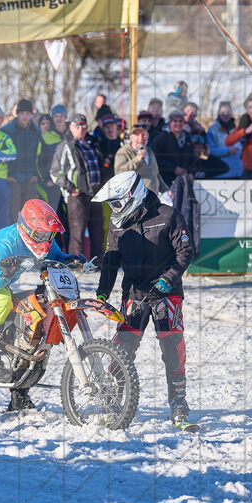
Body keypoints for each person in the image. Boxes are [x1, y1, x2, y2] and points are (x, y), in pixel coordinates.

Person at [93, 171, 195, 427]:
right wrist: (102, 292)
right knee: (123, 346)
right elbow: (110, 260)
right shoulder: (117, 224)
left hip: (166, 292)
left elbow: (185, 251)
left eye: (117, 203)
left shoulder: (168, 215)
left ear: (133, 196)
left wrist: (168, 278)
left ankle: (179, 401)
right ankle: (112, 398)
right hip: (134, 293)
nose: (114, 209)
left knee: (171, 345)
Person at [0, 198, 78, 410]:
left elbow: (57, 257)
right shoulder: (6, 244)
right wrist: (6, 273)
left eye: (49, 235)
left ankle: (19, 393)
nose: (45, 240)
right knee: (3, 298)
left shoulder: (45, 242)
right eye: (40, 235)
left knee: (32, 312)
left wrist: (74, 260)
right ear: (26, 228)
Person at [50, 112, 104, 259]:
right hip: (77, 195)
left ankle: (97, 263)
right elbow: (54, 172)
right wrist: (70, 188)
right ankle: (76, 263)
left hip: (95, 194)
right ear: (71, 127)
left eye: (84, 126)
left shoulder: (93, 144)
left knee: (98, 232)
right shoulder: (65, 145)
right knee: (76, 232)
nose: (81, 129)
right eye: (78, 126)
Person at [2, 99, 42, 222]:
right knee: (13, 213)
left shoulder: (36, 131)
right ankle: (14, 240)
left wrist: (36, 174)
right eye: (22, 113)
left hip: (31, 178)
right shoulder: (7, 131)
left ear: (31, 114)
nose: (25, 116)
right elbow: (2, 156)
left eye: (28, 113)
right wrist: (7, 175)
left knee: (30, 214)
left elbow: (39, 155)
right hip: (14, 178)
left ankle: (28, 241)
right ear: (17, 114)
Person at [115, 120, 168, 194]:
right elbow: (119, 173)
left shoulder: (149, 151)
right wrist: (137, 160)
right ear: (131, 137)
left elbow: (156, 174)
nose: (141, 138)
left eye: (143, 134)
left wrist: (166, 189)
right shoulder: (124, 151)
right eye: (137, 135)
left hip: (152, 198)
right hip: (134, 199)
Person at [37, 104, 68, 210]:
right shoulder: (46, 137)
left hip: (70, 182)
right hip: (53, 182)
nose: (59, 119)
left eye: (61, 116)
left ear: (65, 117)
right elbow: (40, 161)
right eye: (56, 116)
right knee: (56, 212)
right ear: (53, 118)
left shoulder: (72, 134)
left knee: (70, 214)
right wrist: (46, 179)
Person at [153, 111, 195, 186]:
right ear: (170, 123)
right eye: (175, 121)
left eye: (181, 121)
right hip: (165, 181)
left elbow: (192, 159)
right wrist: (173, 169)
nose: (178, 124)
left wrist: (191, 173)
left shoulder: (188, 139)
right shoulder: (161, 138)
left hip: (184, 181)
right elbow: (156, 160)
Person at [206, 102, 243, 179]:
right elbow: (210, 150)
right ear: (218, 113)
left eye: (228, 112)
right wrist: (227, 151)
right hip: (220, 172)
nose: (225, 115)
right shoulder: (212, 130)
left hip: (238, 172)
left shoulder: (238, 130)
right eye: (222, 112)